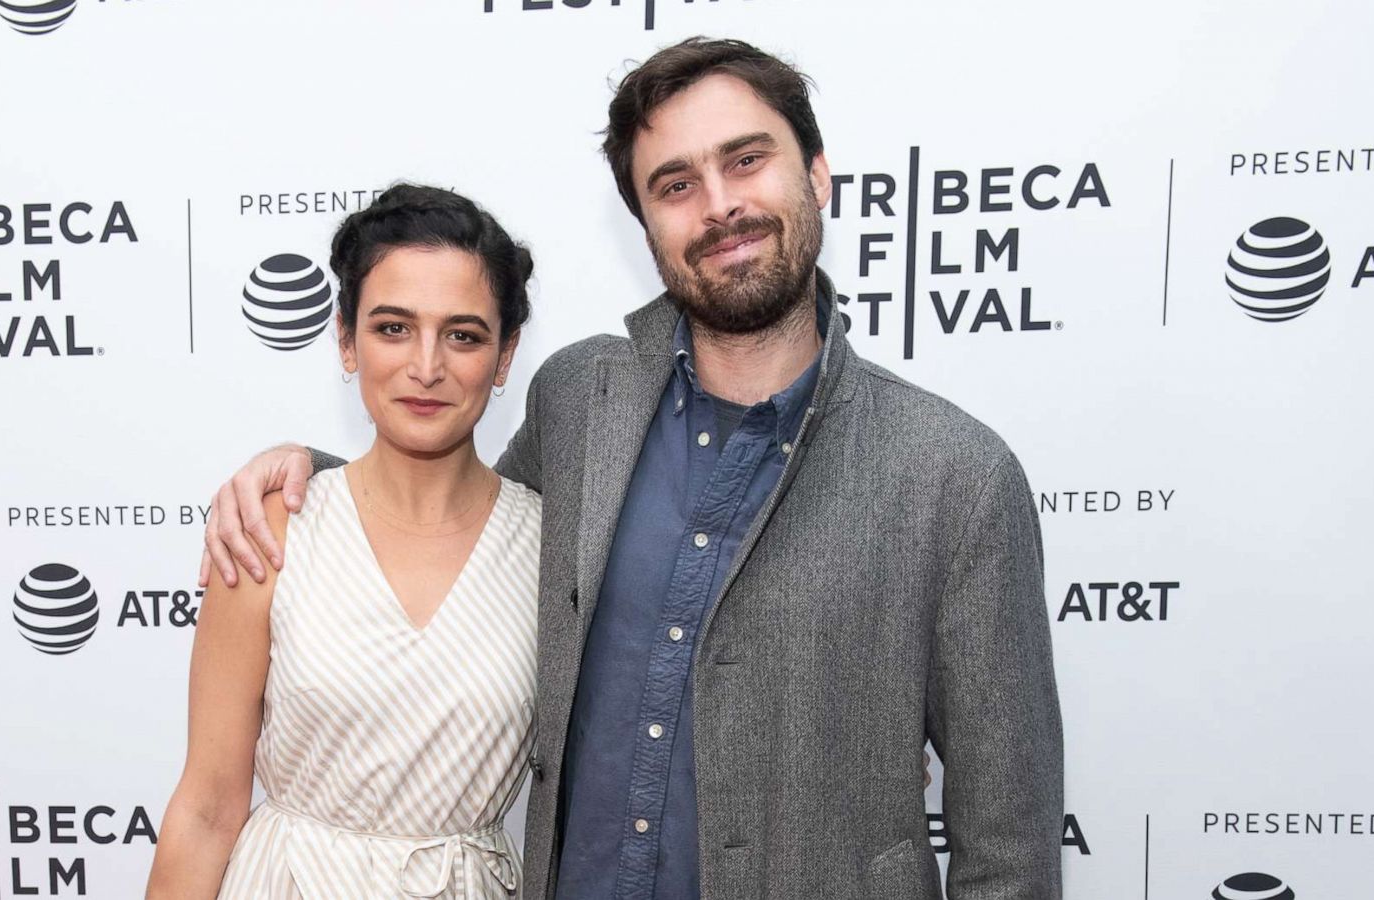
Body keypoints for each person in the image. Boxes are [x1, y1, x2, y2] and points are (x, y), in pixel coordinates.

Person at [203, 38, 1062, 900]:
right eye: (676, 184)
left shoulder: (954, 476)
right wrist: (303, 478)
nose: (720, 206)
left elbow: (1010, 855)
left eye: (747, 160)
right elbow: (457, 525)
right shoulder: (581, 399)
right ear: (645, 222)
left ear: (819, 174)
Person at [147, 184, 544, 899]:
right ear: (344, 338)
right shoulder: (270, 529)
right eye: (393, 328)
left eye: (463, 334)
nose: (426, 367)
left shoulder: (552, 549)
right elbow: (206, 811)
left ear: (506, 353)